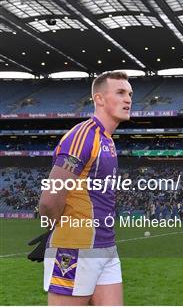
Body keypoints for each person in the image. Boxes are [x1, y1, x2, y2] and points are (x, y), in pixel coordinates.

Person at [37, 71, 132, 305]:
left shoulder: (107, 140)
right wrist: (59, 232)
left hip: (106, 247)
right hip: (75, 249)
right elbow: (49, 200)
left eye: (130, 93)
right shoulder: (83, 136)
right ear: (99, 99)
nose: (128, 99)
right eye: (120, 92)